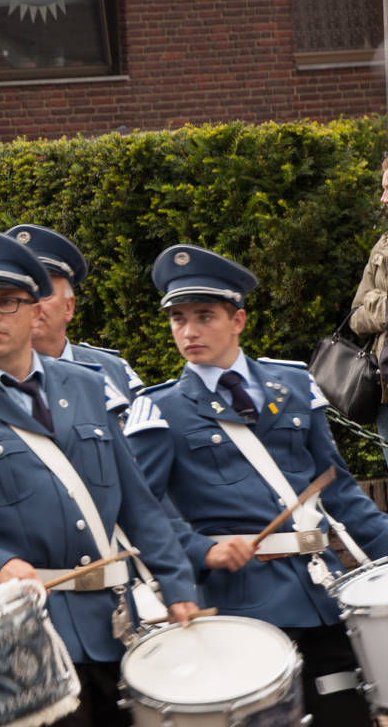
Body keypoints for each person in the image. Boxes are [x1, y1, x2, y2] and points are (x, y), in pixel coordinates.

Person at [0, 229, 198, 727]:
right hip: (26, 636)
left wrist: (178, 585)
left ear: (34, 311)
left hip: (117, 623)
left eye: (5, 302)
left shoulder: (90, 387)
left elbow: (139, 505)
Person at [126, 244, 388, 727]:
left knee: (347, 713)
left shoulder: (292, 385)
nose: (189, 330)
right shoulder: (159, 410)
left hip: (321, 593)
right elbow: (143, 510)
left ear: (238, 320)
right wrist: (201, 551)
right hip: (239, 609)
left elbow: (341, 492)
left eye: (204, 316)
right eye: (178, 318)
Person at [4, 224, 144, 401]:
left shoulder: (113, 370)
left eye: (44, 292)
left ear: (69, 307)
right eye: (21, 295)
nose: (33, 304)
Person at [350, 155, 388, 460]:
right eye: (383, 189)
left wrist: (376, 301)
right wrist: (383, 309)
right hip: (386, 391)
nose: (383, 198)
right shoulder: (381, 248)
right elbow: (356, 317)